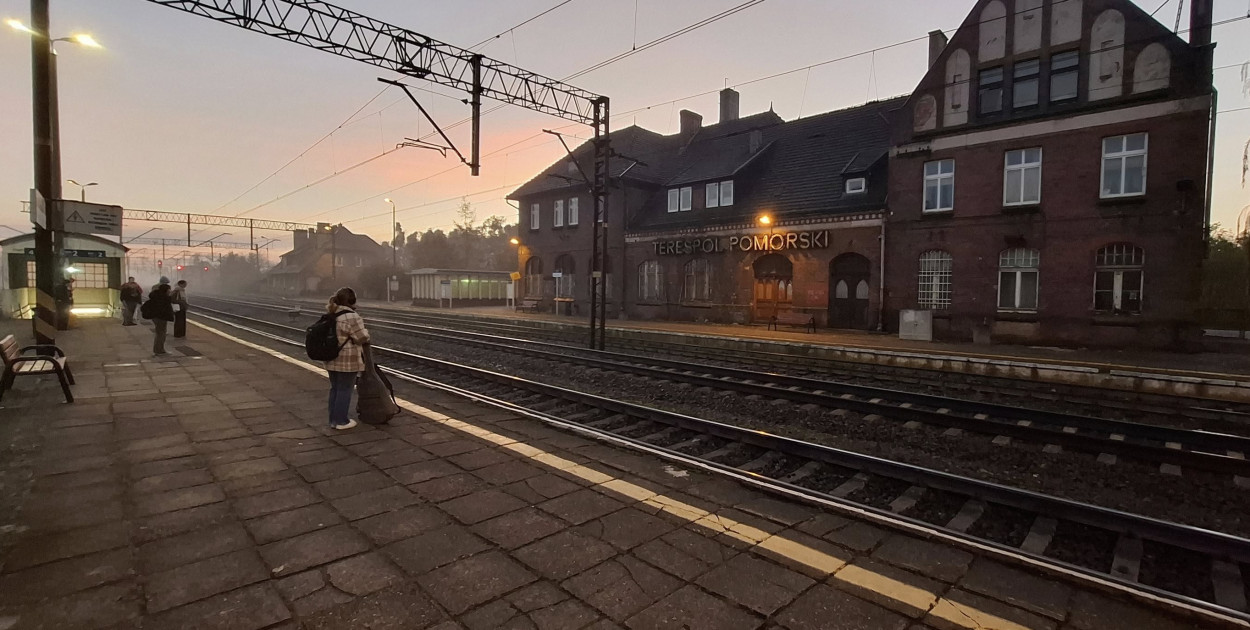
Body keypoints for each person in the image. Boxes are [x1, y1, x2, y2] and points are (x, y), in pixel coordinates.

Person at [324, 287, 369, 430]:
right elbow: (362, 337)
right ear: (352, 300)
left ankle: (333, 420)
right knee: (345, 389)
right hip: (347, 360)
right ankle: (341, 421)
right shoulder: (352, 316)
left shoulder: (332, 313)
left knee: (335, 389)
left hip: (331, 358)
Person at [146, 277, 175, 356]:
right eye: (169, 290)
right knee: (161, 333)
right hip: (161, 317)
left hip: (155, 316)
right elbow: (165, 308)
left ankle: (158, 349)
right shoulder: (163, 298)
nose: (170, 291)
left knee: (159, 333)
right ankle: (159, 350)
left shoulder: (156, 295)